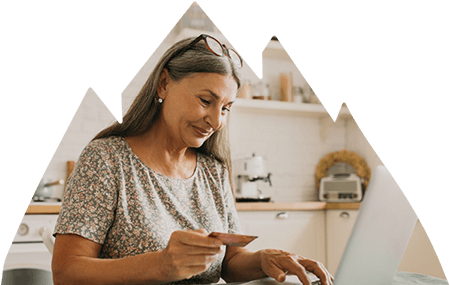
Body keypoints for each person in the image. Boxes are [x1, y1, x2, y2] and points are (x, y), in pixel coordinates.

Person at [51, 34, 334, 285]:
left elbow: (229, 263)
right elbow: (66, 273)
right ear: (163, 85)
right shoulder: (106, 160)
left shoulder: (213, 171)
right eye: (205, 101)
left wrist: (264, 259)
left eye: (225, 108)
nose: (216, 120)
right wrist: (160, 265)